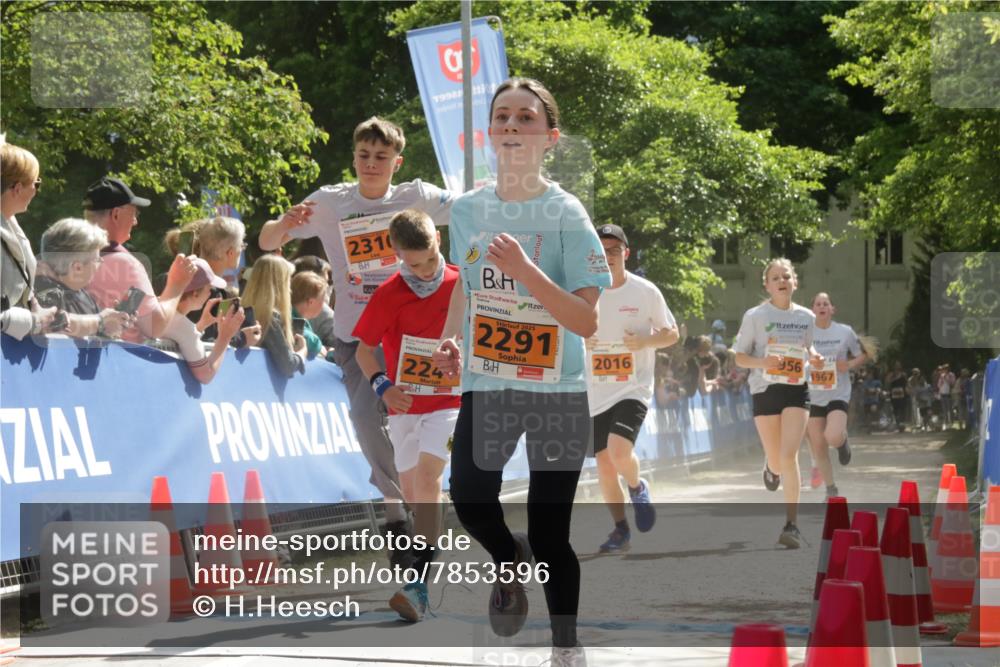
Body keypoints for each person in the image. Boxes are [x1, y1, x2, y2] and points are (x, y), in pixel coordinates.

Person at [434, 78, 610, 666]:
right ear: (489, 132)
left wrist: (528, 270)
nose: (511, 125)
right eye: (501, 116)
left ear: (549, 137)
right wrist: (449, 340)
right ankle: (510, 559)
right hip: (489, 381)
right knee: (468, 497)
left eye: (525, 118)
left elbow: (584, 321)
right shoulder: (466, 209)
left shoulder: (567, 212)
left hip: (555, 388)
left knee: (552, 533)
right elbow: (468, 283)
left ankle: (566, 647)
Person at [258, 117, 454, 541]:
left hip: (408, 332)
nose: (371, 163)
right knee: (366, 419)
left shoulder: (414, 195)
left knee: (411, 421)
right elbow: (267, 240)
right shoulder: (331, 201)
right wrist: (285, 223)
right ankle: (398, 502)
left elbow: (468, 209)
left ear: (396, 162)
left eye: (381, 157)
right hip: (356, 331)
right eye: (364, 155)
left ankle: (416, 507)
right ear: (354, 157)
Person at [352, 209, 460, 622]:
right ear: (396, 253)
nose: (427, 269)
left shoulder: (458, 283)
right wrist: (383, 386)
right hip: (405, 409)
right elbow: (364, 348)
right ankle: (432, 533)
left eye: (431, 256)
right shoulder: (390, 293)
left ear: (437, 237)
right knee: (416, 494)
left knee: (429, 483)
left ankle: (417, 586)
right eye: (415, 263)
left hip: (450, 404)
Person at [584, 223, 678, 553]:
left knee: (619, 450)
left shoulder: (645, 291)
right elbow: (565, 330)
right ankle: (620, 530)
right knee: (606, 466)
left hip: (633, 388)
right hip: (595, 392)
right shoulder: (584, 290)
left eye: (613, 250)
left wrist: (645, 341)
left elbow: (672, 334)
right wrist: (581, 337)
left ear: (626, 252)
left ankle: (638, 488)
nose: (607, 256)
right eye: (600, 250)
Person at [734, 258, 823, 549]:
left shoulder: (806, 316)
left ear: (794, 281)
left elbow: (808, 346)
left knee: (790, 456)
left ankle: (792, 525)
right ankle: (770, 468)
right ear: (767, 285)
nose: (782, 280)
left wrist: (815, 356)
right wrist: (763, 362)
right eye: (775, 277)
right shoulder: (755, 316)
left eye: (787, 275)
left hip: (797, 390)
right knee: (777, 459)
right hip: (765, 389)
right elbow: (740, 357)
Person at [83, 177, 196, 343]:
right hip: (114, 364)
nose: (135, 222)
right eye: (134, 213)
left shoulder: (64, 256)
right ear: (116, 214)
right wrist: (177, 284)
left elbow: (130, 308)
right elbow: (154, 326)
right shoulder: (126, 264)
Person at [805, 292, 869, 499]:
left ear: (832, 309)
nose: (822, 306)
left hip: (838, 393)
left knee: (831, 436)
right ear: (813, 309)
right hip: (813, 395)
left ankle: (841, 443)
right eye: (818, 304)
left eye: (826, 303)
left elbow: (863, 354)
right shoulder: (805, 333)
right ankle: (831, 489)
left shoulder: (844, 331)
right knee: (818, 446)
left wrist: (848, 364)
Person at [34, 218, 132, 338]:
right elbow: (54, 325)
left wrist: (112, 324)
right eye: (97, 259)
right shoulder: (43, 290)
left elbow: (94, 332)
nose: (101, 262)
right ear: (77, 268)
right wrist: (101, 321)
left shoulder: (82, 294)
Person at [1, 142, 57, 338]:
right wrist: (34, 322)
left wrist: (38, 311)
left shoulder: (10, 225)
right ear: (17, 188)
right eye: (36, 184)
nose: (36, 190)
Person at [161, 258, 245, 384]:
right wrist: (225, 336)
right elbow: (206, 375)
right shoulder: (185, 328)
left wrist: (201, 325)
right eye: (209, 288)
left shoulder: (153, 305)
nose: (210, 293)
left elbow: (180, 335)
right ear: (195, 294)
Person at [241, 255, 307, 378]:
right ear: (280, 284)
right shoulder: (270, 318)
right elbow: (288, 365)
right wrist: (302, 352)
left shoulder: (239, 311)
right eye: (288, 279)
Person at [290, 270, 327, 359]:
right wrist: (318, 346)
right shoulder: (289, 318)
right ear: (311, 302)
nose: (323, 305)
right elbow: (311, 342)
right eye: (323, 301)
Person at [885, 360, 908, 432]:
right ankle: (898, 424)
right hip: (894, 395)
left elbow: (906, 384)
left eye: (899, 365)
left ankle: (902, 425)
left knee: (902, 410)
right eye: (896, 365)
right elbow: (887, 382)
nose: (897, 366)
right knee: (895, 410)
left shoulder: (903, 374)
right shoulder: (891, 374)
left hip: (902, 395)